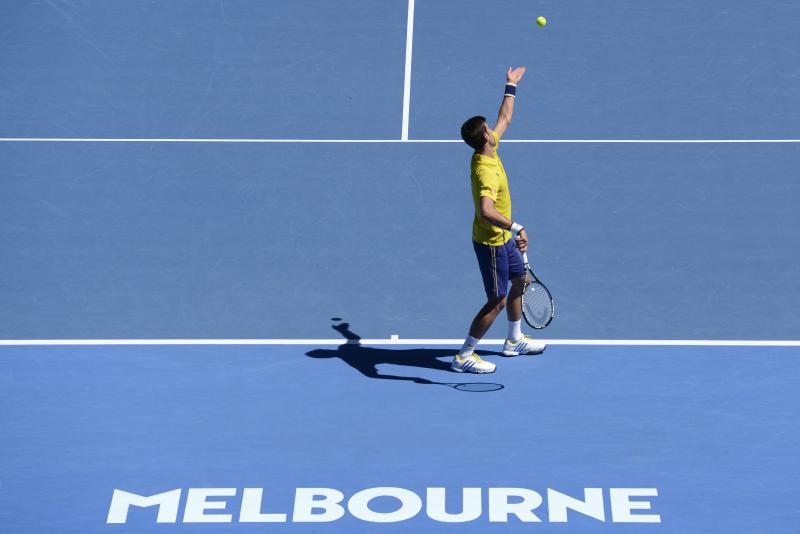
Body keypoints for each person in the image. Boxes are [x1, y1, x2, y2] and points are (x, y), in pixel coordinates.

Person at [452, 66, 546, 374]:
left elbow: (505, 118)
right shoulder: (485, 171)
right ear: (485, 137)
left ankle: (513, 340)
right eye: (488, 128)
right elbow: (485, 211)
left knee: (521, 280)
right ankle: (465, 355)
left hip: (504, 239)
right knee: (497, 300)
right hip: (491, 242)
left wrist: (510, 85)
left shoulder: (489, 149)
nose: (494, 128)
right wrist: (515, 226)